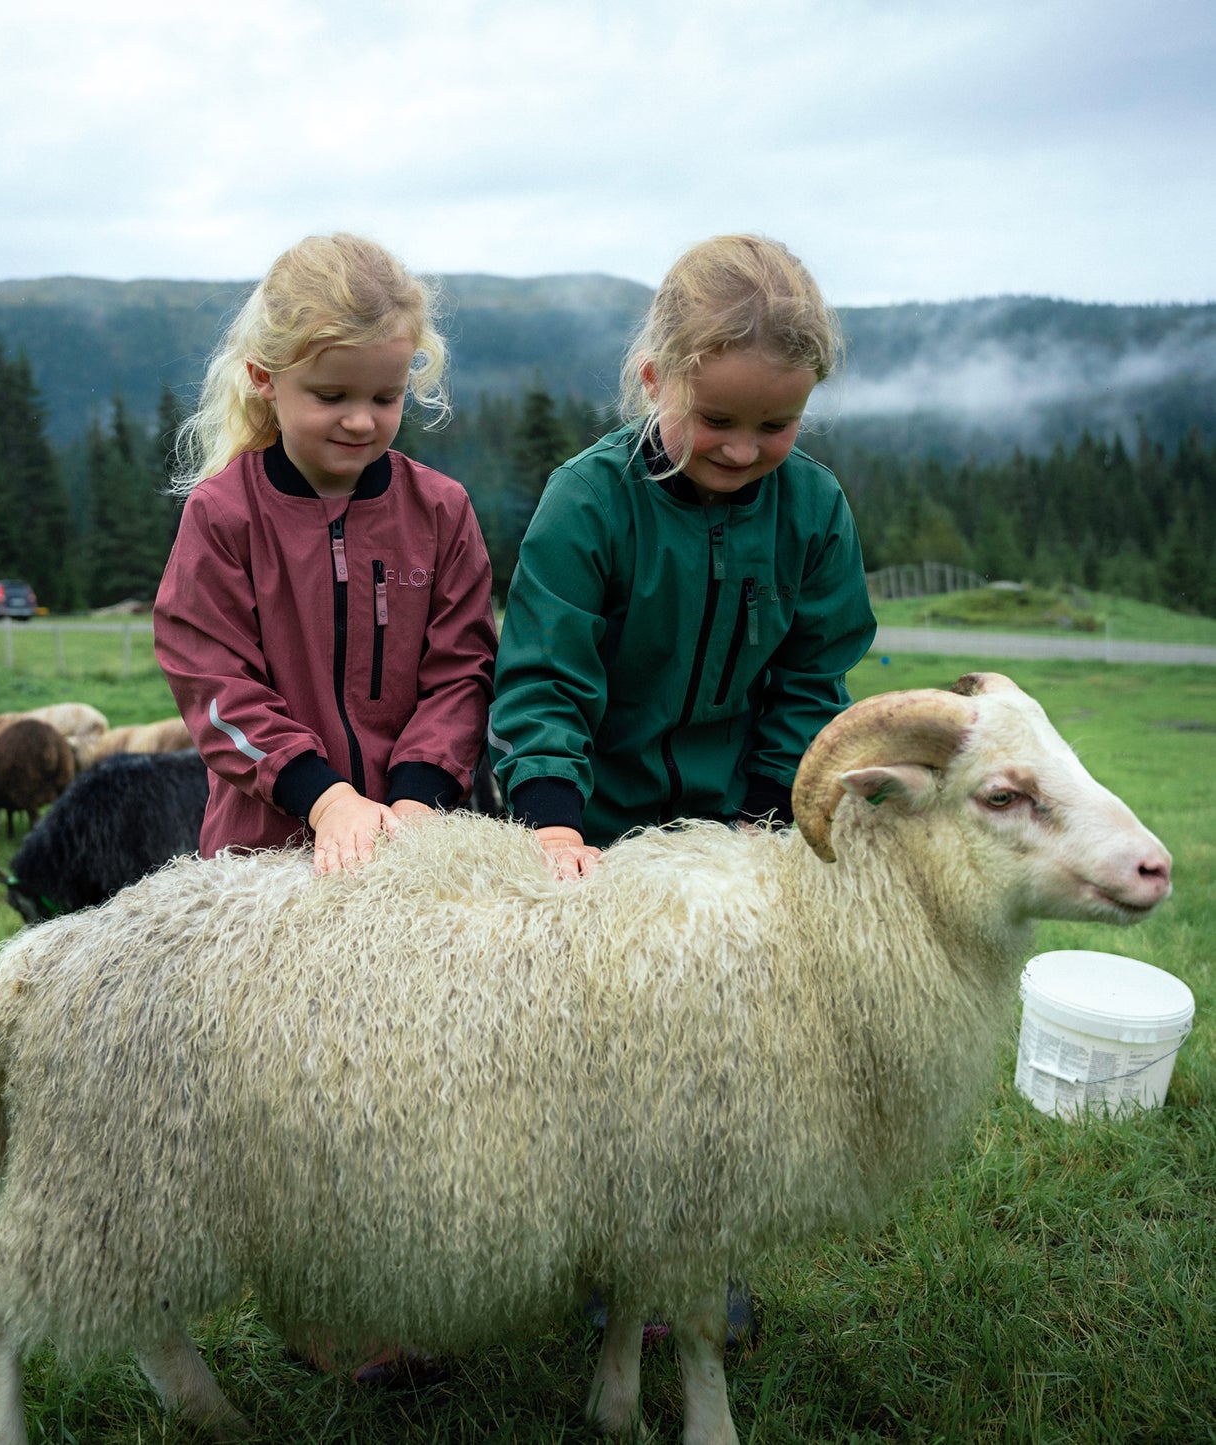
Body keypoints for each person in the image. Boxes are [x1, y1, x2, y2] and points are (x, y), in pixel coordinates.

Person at [489, 232, 877, 1348]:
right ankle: (594, 1251)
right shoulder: (588, 502)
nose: (745, 447)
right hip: (592, 828)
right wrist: (554, 820)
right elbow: (544, 676)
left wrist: (771, 825)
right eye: (718, 419)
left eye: (776, 424)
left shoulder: (810, 513)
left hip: (730, 827)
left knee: (722, 1060)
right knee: (594, 1059)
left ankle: (702, 1256)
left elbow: (810, 677)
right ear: (654, 378)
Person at [154, 233, 497, 879]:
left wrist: (419, 797)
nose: (361, 421)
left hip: (413, 844)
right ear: (264, 378)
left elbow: (461, 671)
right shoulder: (224, 516)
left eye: (384, 397)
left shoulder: (441, 510)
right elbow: (214, 684)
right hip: (260, 864)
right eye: (331, 396)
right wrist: (327, 798)